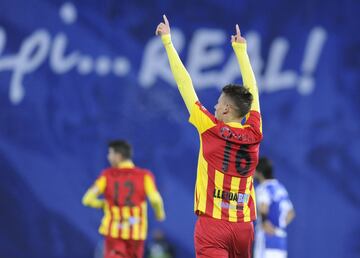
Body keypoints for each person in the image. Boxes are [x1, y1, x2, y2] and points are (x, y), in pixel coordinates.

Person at [156, 15, 262, 258]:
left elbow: (185, 85)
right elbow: (253, 94)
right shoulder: (255, 131)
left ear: (226, 109)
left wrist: (168, 44)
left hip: (213, 224)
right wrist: (241, 52)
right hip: (244, 226)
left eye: (217, 104)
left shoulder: (210, 128)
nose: (214, 108)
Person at [82, 140, 166, 258]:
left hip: (114, 232)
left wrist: (103, 204)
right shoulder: (145, 176)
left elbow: (87, 199)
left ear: (118, 156)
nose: (108, 157)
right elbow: (156, 200)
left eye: (110, 153)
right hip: (136, 233)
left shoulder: (107, 175)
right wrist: (160, 214)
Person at [253, 157, 295, 258]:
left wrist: (265, 222)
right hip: (280, 241)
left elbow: (263, 207)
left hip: (266, 239)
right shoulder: (280, 188)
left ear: (260, 172)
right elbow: (291, 213)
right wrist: (278, 226)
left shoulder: (263, 188)